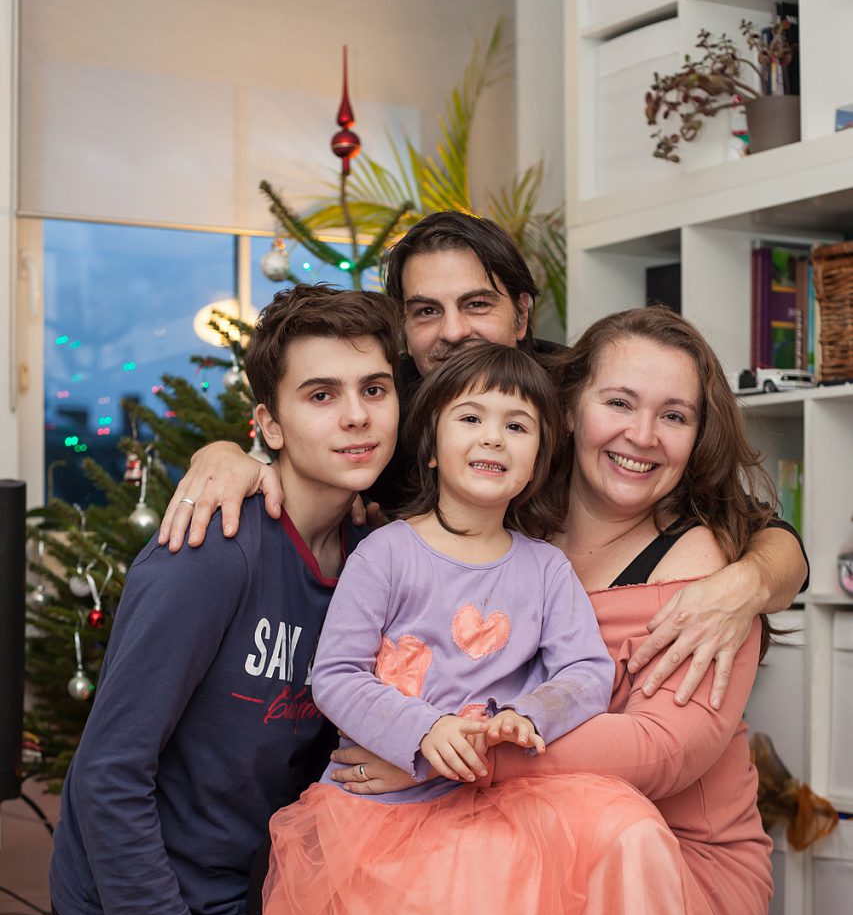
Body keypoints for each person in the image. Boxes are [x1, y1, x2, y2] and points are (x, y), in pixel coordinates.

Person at [250, 339, 755, 915]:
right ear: (430, 442)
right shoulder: (386, 552)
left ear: (540, 455)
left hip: (496, 802)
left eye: (517, 425)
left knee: (623, 828)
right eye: (471, 418)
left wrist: (520, 717)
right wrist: (417, 732)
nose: (492, 438)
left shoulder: (542, 567)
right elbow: (336, 675)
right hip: (386, 815)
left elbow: (583, 674)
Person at [0, 284, 400, 915]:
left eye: (375, 389)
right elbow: (107, 777)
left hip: (249, 902)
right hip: (133, 904)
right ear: (268, 423)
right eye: (320, 394)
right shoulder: (211, 554)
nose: (354, 416)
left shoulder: (379, 558)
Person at [159, 210, 808, 714]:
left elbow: (764, 531)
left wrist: (746, 586)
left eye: (476, 304)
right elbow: (301, 438)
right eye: (426, 312)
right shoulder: (391, 407)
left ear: (521, 314)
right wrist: (229, 453)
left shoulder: (572, 396)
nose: (452, 331)